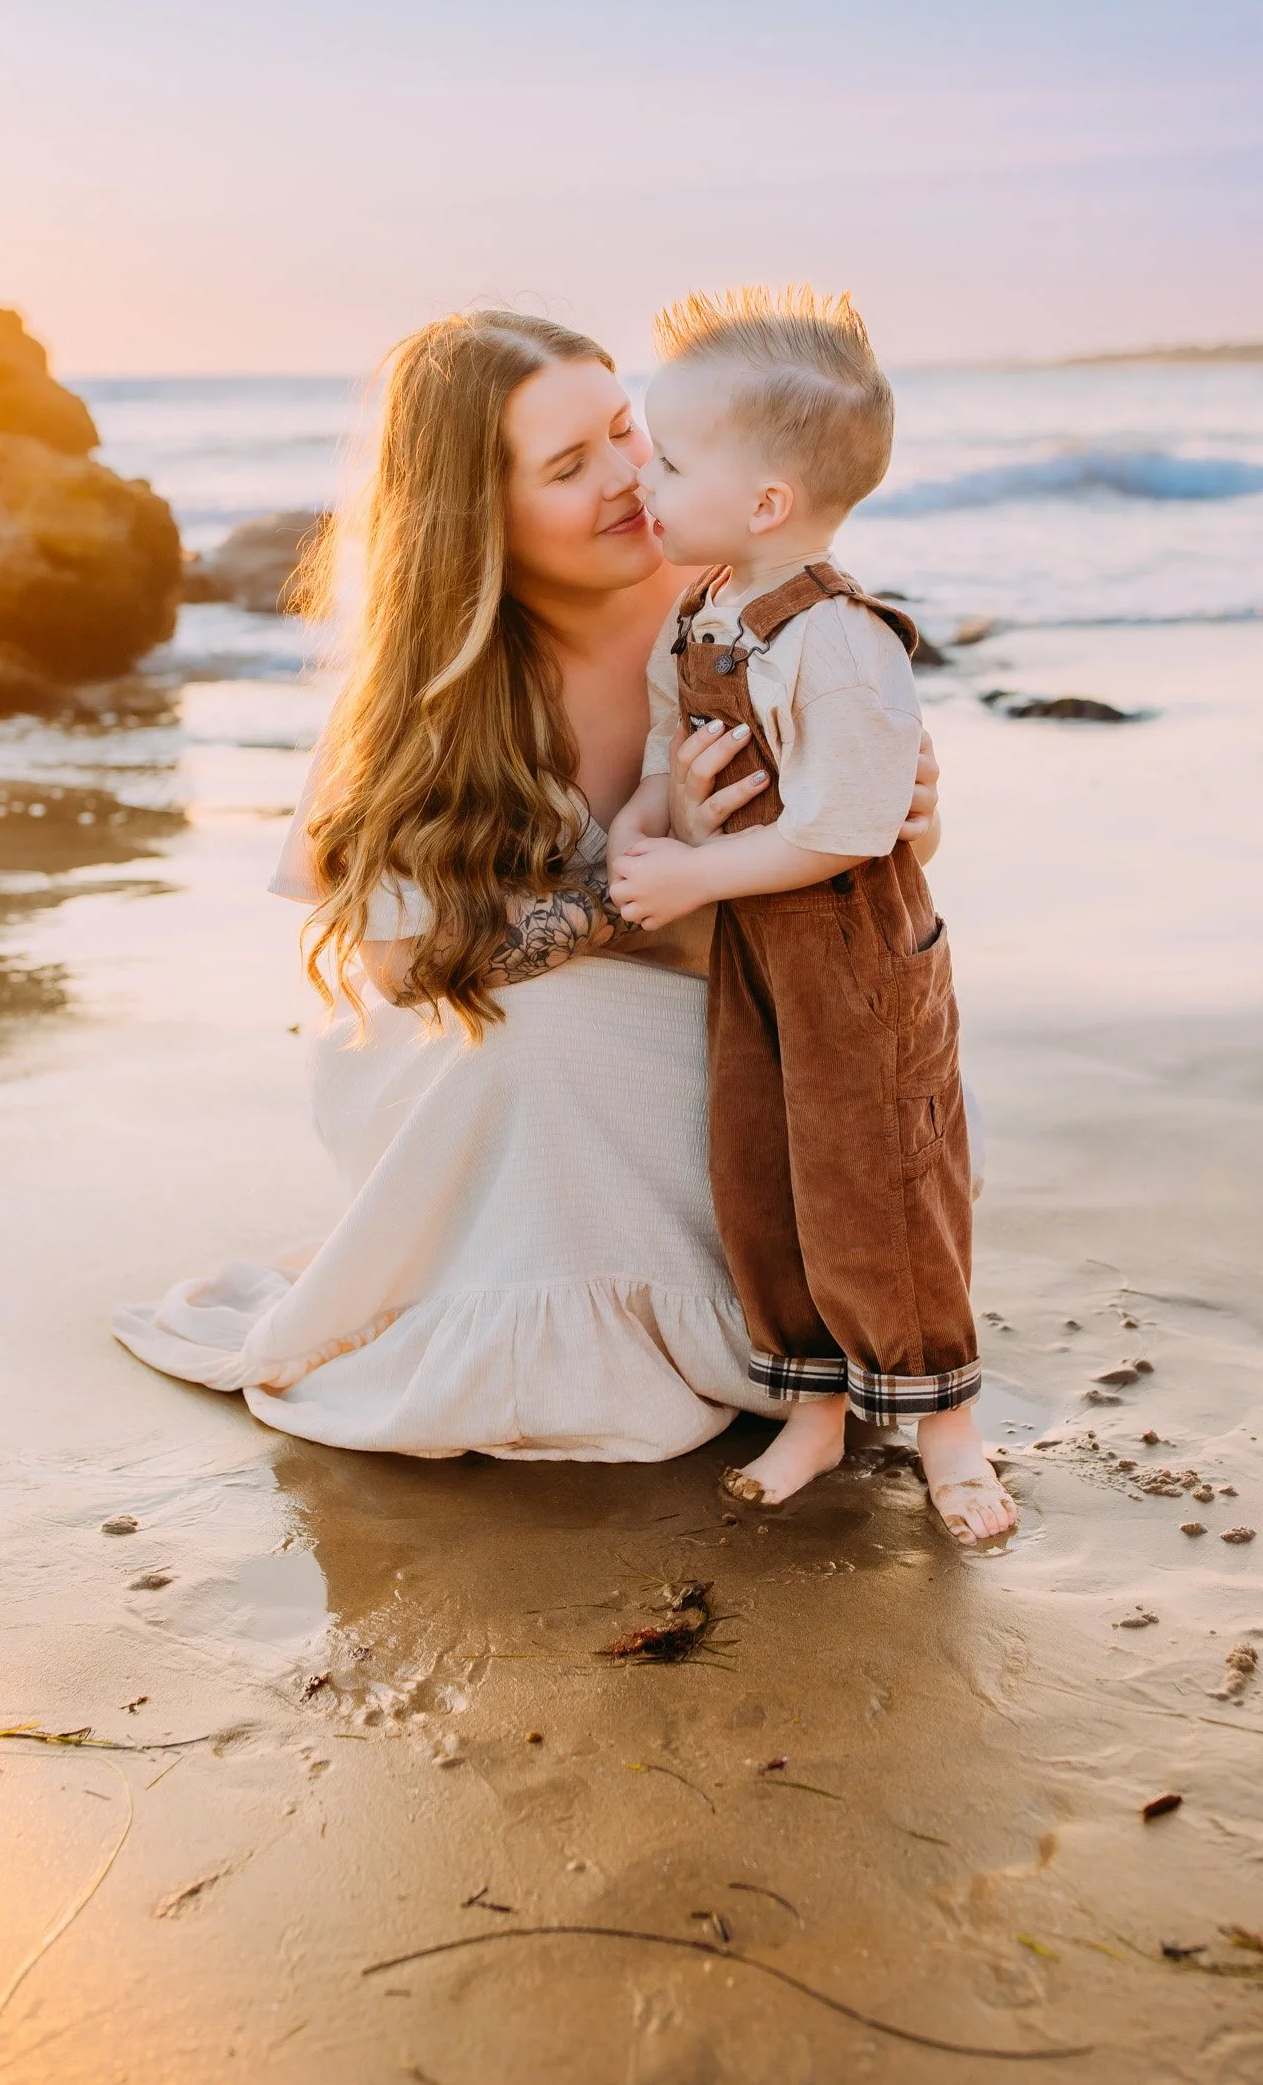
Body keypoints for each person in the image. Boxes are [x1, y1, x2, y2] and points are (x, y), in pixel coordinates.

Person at [113, 308, 939, 1464]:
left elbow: (851, 843)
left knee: (852, 1058)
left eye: (622, 430)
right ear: (476, 517)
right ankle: (593, 1327)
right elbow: (415, 972)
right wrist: (661, 866)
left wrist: (888, 819)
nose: (625, 476)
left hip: (724, 1014)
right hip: (474, 1052)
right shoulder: (429, 697)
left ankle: (797, 1327)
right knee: (545, 1042)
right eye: (567, 466)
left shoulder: (745, 604)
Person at [607, 288, 1015, 1547]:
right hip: (754, 953)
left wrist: (688, 881)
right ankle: (814, 1411)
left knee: (876, 1183)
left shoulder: (841, 640)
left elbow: (844, 830)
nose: (645, 480)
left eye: (670, 462)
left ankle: (945, 1424)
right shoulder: (700, 611)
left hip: (857, 951)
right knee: (762, 1174)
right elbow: (670, 758)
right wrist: (647, 826)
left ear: (767, 501)